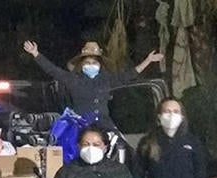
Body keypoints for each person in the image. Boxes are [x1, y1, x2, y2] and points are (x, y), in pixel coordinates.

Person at [22, 40, 164, 130]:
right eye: (87, 63)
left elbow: (129, 75)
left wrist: (148, 60)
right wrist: (36, 53)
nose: (91, 65)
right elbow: (52, 70)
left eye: (94, 63)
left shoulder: (107, 79)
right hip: (80, 129)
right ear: (81, 65)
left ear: (100, 65)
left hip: (105, 127)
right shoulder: (73, 79)